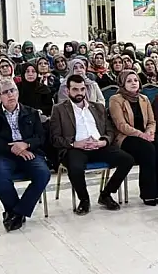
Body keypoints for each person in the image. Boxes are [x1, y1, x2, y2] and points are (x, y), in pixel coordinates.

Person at [50, 75, 133, 215]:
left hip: (98, 146)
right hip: (75, 148)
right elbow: (55, 138)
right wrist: (75, 143)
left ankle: (106, 194)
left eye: (82, 89)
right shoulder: (59, 109)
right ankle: (84, 200)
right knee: (75, 168)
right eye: (75, 89)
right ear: (67, 91)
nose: (79, 93)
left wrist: (103, 141)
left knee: (127, 160)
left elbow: (109, 131)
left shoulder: (98, 107)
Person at [0, 79, 51, 232]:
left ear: (18, 93)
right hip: (3, 154)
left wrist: (26, 145)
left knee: (43, 173)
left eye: (12, 90)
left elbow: (41, 136)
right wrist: (14, 148)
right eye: (5, 92)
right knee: (0, 177)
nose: (10, 95)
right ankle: (15, 212)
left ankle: (17, 213)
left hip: (29, 151)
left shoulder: (31, 112)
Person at [109, 70, 158, 206]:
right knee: (147, 149)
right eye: (129, 81)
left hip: (145, 135)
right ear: (122, 83)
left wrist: (149, 132)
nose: (133, 83)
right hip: (126, 137)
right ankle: (148, 193)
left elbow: (152, 121)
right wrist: (141, 135)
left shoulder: (144, 98)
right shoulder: (116, 99)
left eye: (136, 80)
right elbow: (121, 125)